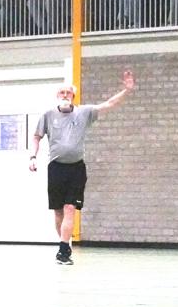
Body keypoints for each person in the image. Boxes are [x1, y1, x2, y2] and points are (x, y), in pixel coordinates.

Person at [29, 70, 136, 265]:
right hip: (56, 168)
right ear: (57, 96)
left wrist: (126, 90)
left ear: (73, 96)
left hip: (76, 169)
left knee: (70, 207)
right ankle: (65, 243)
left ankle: (63, 251)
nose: (65, 95)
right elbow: (37, 137)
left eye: (68, 93)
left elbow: (108, 104)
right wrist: (33, 157)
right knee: (58, 212)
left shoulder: (84, 112)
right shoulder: (48, 115)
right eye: (62, 92)